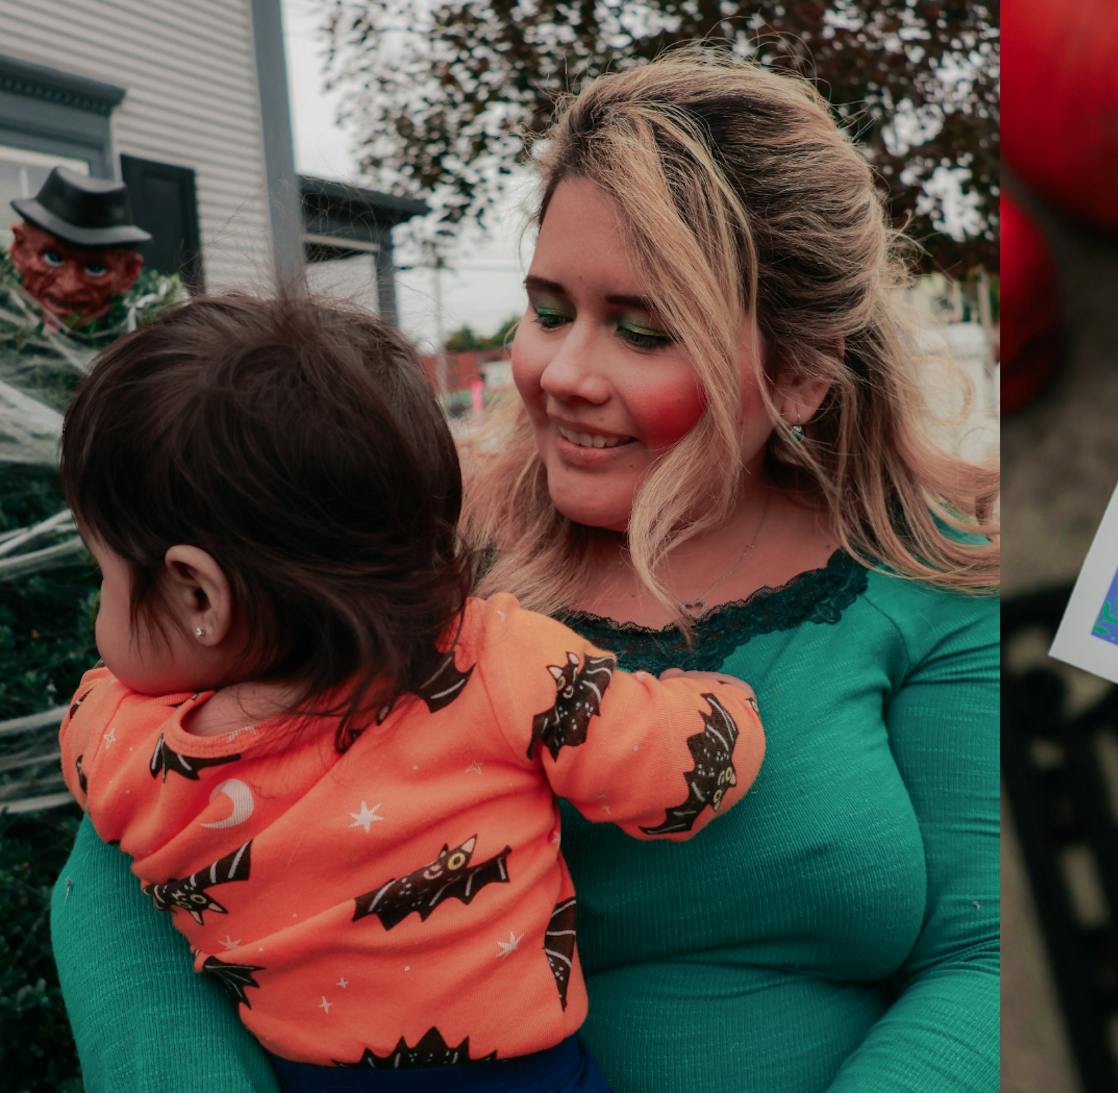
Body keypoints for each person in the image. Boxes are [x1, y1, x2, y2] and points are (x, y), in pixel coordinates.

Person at [49, 47, 999, 1092]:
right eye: (548, 311)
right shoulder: (394, 559)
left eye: (641, 331)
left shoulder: (932, 587)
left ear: (801, 375)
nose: (561, 375)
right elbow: (131, 850)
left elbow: (986, 958)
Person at [54, 294, 762, 1089]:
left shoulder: (122, 743)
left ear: (199, 595)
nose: (101, 622)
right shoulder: (498, 660)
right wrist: (724, 698)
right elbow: (678, 775)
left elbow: (91, 718)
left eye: (107, 578)